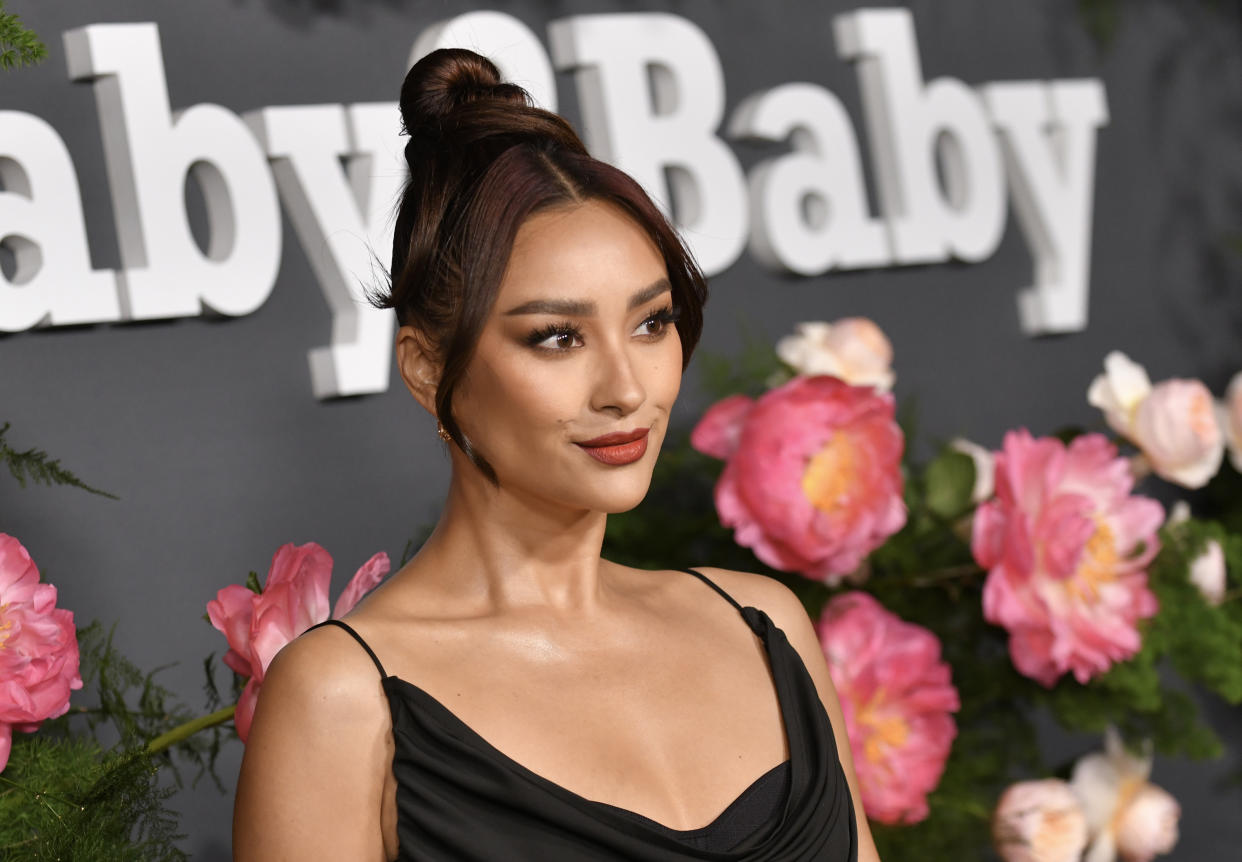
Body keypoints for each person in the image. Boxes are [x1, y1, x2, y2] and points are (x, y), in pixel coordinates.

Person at [233, 48, 882, 862]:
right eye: (556, 338)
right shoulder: (343, 698)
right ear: (430, 372)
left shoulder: (763, 626)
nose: (624, 388)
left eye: (651, 324)